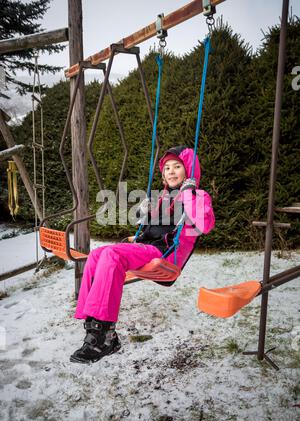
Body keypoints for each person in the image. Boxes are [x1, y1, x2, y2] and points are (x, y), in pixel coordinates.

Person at [70, 146, 215, 364]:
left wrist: (188, 193)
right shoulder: (163, 196)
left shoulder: (197, 195)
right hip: (147, 247)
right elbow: (152, 227)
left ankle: (102, 338)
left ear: (190, 170)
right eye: (167, 168)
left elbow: (204, 225)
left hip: (165, 254)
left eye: (177, 166)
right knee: (97, 254)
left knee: (111, 254)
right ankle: (97, 329)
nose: (171, 171)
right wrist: (144, 214)